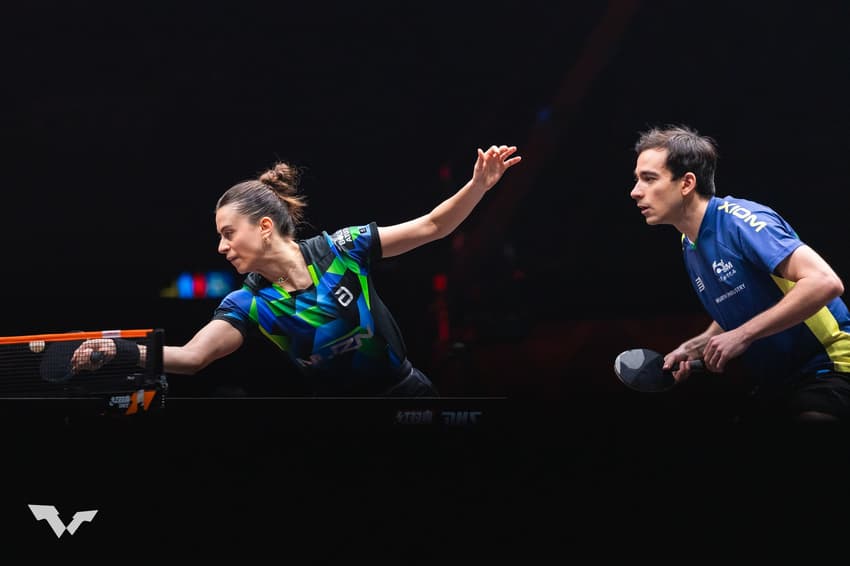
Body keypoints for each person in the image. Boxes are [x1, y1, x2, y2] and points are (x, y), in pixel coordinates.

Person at [73, 145, 521, 396]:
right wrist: (121, 349)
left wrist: (479, 185)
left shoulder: (342, 249)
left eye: (229, 233)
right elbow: (192, 359)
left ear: (265, 227)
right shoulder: (248, 304)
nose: (221, 246)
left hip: (409, 396)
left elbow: (433, 225)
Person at [630, 125, 850, 422]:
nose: (635, 191)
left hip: (829, 368)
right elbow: (743, 301)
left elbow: (824, 282)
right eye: (637, 180)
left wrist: (743, 335)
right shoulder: (689, 243)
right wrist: (697, 345)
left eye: (649, 179)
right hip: (778, 383)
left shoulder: (740, 222)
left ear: (686, 183)